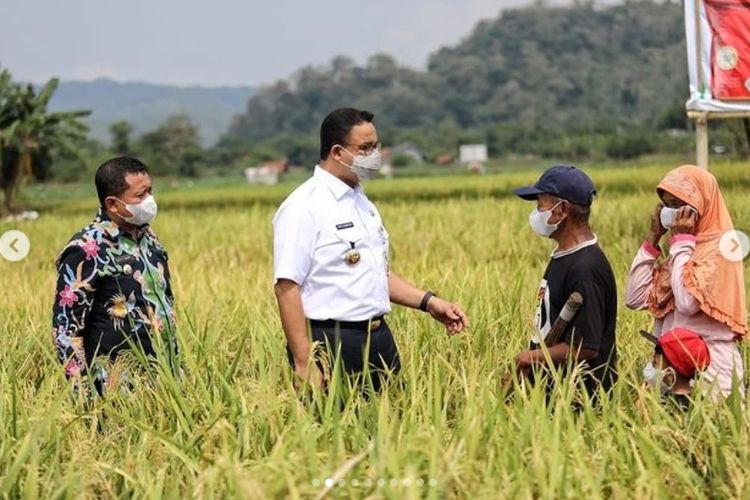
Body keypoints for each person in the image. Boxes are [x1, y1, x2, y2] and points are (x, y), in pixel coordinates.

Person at [272, 108, 469, 393]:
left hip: (379, 339)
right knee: (338, 433)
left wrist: (429, 302)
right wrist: (304, 362)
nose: (374, 154)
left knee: (392, 429)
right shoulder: (304, 206)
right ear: (337, 152)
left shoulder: (362, 201)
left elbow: (375, 274)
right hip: (331, 343)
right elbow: (286, 286)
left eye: (375, 146)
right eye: (364, 148)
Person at [51, 156, 177, 394]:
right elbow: (66, 330)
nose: (149, 200)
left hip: (164, 381)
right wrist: (83, 393)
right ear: (113, 203)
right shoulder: (86, 248)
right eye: (140, 195)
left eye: (150, 191)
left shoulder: (150, 240)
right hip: (117, 387)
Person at [626, 165, 745, 399]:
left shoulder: (721, 249)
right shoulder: (680, 253)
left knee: (713, 431)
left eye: (679, 205)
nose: (673, 212)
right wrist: (653, 238)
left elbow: (687, 303)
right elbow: (634, 299)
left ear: (701, 206)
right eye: (667, 205)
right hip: (670, 365)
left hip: (711, 367)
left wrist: (682, 242)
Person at [511, 165, 618, 400]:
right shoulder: (566, 255)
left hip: (582, 400)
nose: (537, 213)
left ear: (562, 210)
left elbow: (587, 346)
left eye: (541, 205)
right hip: (557, 393)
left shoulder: (586, 267)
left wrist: (529, 357)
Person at [640, 328, 711, 411]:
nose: (650, 366)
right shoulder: (699, 400)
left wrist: (641, 402)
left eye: (654, 363)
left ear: (670, 375)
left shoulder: (666, 406)